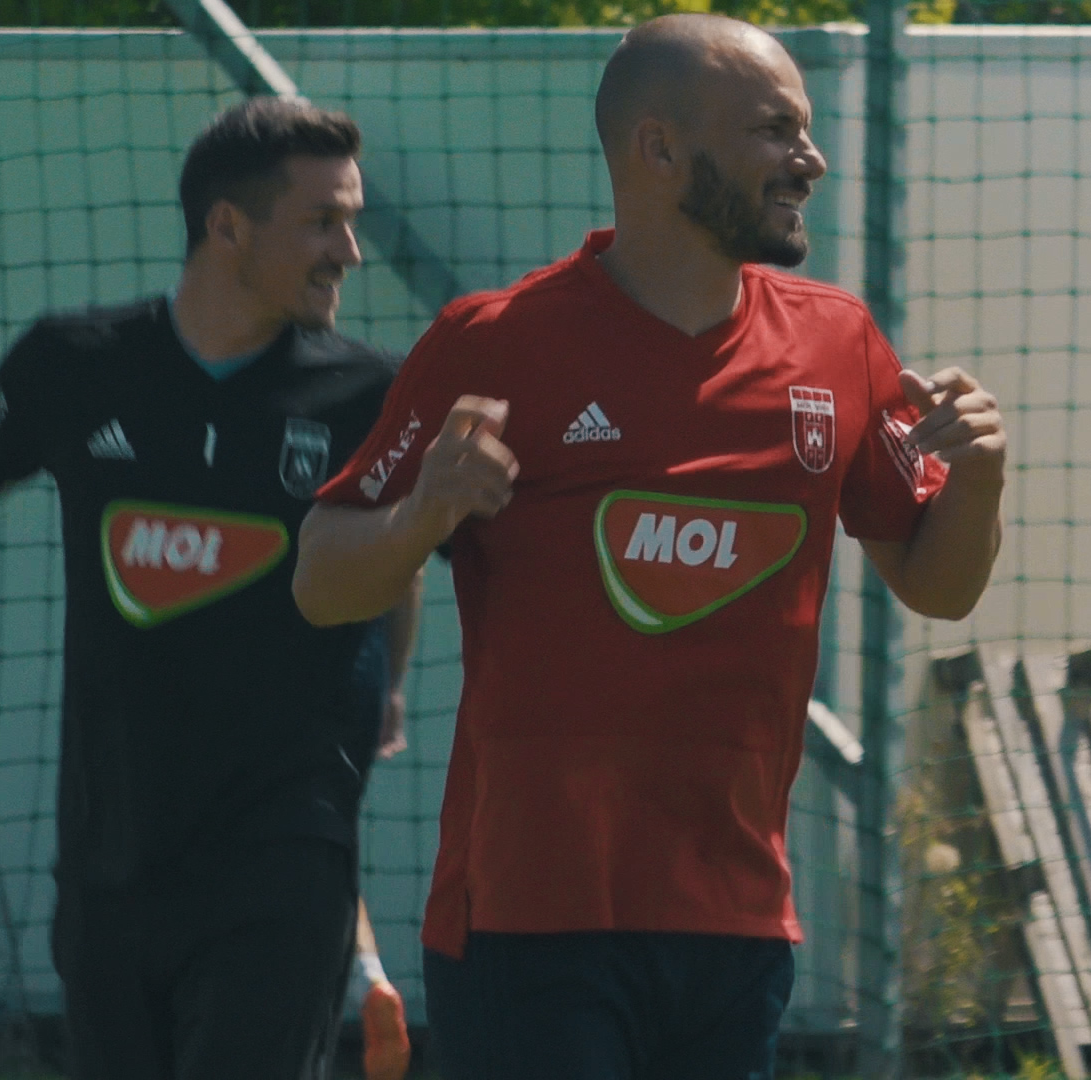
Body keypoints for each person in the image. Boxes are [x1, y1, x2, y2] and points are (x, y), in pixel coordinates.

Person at [291, 14, 1007, 1079]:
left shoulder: (838, 342)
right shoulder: (494, 342)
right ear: (659, 150)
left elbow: (938, 585)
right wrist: (422, 513)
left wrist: (981, 479)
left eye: (806, 131)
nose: (810, 160)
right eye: (775, 131)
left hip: (738, 924)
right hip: (530, 923)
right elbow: (319, 579)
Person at [0, 97, 420, 1078]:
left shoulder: (369, 393)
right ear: (228, 226)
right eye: (323, 222)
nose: (350, 252)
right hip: (109, 859)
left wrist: (389, 684)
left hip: (285, 853)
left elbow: (391, 553)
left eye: (353, 221)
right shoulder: (73, 363)